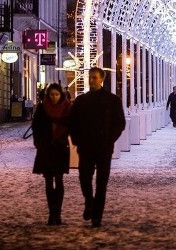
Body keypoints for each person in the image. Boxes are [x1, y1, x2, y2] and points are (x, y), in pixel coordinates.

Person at [70, 67, 126, 228]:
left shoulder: (112, 100)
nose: (91, 80)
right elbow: (72, 122)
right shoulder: (81, 101)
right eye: (90, 77)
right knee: (84, 178)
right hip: (86, 146)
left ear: (102, 79)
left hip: (104, 147)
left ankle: (97, 217)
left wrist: (110, 140)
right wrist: (76, 140)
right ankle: (89, 201)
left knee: (102, 184)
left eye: (94, 77)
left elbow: (119, 123)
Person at [32, 83, 72, 225]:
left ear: (61, 95)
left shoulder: (67, 109)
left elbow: (72, 126)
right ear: (48, 95)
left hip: (61, 148)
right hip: (46, 148)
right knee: (49, 181)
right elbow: (35, 127)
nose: (54, 97)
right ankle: (51, 213)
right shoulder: (42, 109)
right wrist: (38, 143)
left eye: (57, 94)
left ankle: (58, 213)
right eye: (52, 94)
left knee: (59, 180)